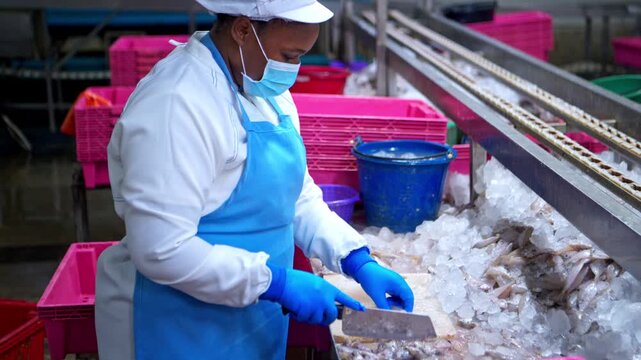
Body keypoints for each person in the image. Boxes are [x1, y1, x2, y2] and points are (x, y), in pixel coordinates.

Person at [95, 1, 414, 359]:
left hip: (248, 320)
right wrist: (276, 283)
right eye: (289, 55)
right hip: (174, 329)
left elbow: (297, 198)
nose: (293, 69)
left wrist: (355, 258)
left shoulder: (263, 86)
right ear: (243, 30)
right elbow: (160, 248)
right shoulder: (176, 103)